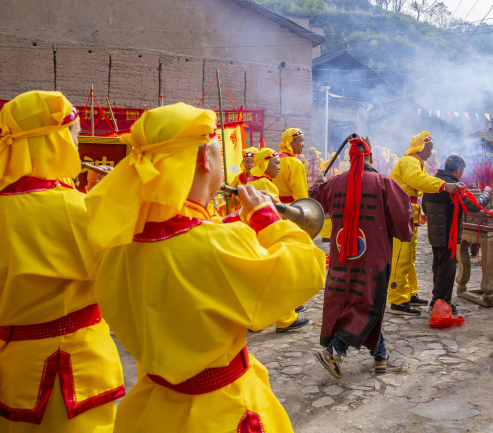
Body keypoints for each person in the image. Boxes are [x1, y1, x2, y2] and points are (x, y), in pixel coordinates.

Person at [84, 103, 326, 432]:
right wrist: (267, 220)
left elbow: (188, 244)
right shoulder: (219, 243)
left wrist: (232, 225)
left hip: (151, 411)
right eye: (217, 150)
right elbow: (307, 268)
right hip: (221, 410)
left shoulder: (117, 246)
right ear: (204, 159)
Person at [0, 91, 124, 432]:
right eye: (74, 134)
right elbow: (119, 272)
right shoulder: (70, 208)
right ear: (54, 139)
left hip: (13, 364)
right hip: (68, 367)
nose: (77, 143)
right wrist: (110, 204)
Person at [309, 137, 413, 378]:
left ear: (350, 158)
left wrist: (317, 184)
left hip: (342, 257)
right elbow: (402, 217)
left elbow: (315, 197)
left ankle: (380, 356)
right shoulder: (384, 182)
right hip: (372, 258)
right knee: (369, 304)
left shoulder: (334, 183)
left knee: (357, 302)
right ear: (370, 158)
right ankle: (335, 349)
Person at [389, 131, 460, 315]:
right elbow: (419, 181)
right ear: (420, 147)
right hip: (401, 212)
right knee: (401, 257)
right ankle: (397, 299)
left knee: (410, 256)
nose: (431, 150)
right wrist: (443, 185)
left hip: (409, 212)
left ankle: (410, 294)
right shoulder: (409, 162)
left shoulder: (416, 163)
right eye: (429, 147)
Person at [249, 147, 310, 332]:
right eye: (275, 163)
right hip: (269, 233)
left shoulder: (257, 181)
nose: (278, 167)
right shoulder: (265, 184)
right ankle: (285, 318)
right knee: (280, 274)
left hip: (259, 234)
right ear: (265, 163)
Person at [422, 155, 492, 314]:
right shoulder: (451, 186)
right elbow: (474, 205)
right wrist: (487, 193)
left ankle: (437, 300)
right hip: (448, 233)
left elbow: (425, 207)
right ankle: (442, 303)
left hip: (435, 233)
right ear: (458, 170)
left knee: (438, 268)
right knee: (447, 270)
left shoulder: (433, 182)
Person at [274, 127, 308, 204]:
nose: (303, 145)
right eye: (301, 141)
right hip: (289, 209)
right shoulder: (295, 163)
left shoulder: (272, 159)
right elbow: (300, 194)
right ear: (290, 142)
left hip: (272, 207)